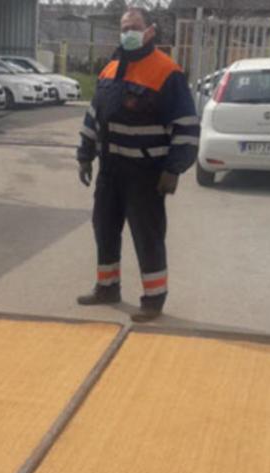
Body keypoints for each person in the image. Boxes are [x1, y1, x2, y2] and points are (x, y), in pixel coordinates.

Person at [75, 7, 200, 322]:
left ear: (149, 31)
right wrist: (85, 155)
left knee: (147, 236)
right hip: (111, 170)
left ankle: (154, 299)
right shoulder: (111, 69)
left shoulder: (167, 72)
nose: (128, 32)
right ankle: (107, 288)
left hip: (146, 174)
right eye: (124, 27)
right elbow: (94, 116)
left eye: (134, 26)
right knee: (104, 229)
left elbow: (186, 125)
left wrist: (173, 169)